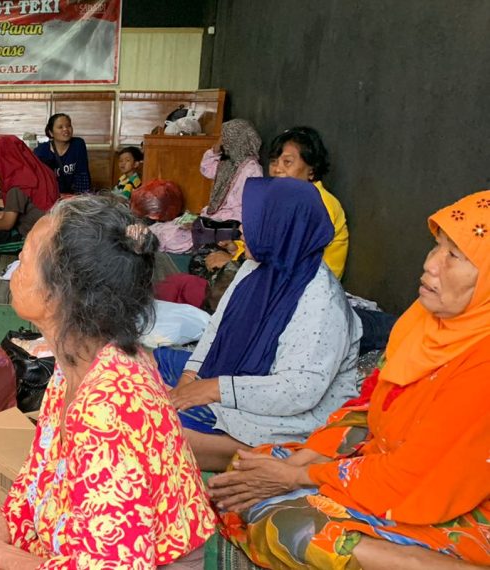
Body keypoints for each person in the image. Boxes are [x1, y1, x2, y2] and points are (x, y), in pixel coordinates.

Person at [0, 196, 215, 569]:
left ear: (59, 293)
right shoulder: (75, 365)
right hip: (84, 544)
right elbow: (35, 492)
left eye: (25, 259)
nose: (15, 270)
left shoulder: (108, 410)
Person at [208, 190, 490, 569]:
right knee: (249, 471)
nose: (430, 264)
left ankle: (420, 561)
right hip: (383, 461)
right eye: (436, 247)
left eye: (454, 256)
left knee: (292, 529)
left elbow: (414, 476)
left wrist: (299, 477)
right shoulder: (423, 322)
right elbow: (368, 405)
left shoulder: (482, 366)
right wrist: (299, 464)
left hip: (446, 498)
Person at [155, 177, 361, 471]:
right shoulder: (256, 268)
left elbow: (298, 391)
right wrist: (189, 376)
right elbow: (218, 328)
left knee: (155, 432)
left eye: (255, 221)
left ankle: (255, 448)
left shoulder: (322, 301)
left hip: (286, 414)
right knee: (142, 361)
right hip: (233, 376)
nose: (241, 229)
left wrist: (214, 389)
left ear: (281, 228)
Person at [149, 118, 263, 255]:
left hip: (228, 222)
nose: (221, 141)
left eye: (224, 137)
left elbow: (245, 210)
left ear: (236, 139)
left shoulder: (251, 169)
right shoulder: (228, 163)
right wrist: (215, 151)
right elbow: (206, 169)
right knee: (165, 228)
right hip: (213, 216)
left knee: (175, 237)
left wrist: (207, 223)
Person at [268, 126, 349, 279]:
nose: (277, 169)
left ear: (311, 169)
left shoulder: (320, 204)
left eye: (287, 162)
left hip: (311, 284)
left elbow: (288, 256)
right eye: (273, 161)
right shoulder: (282, 199)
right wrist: (236, 250)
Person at [0, 135, 59, 248]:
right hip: (48, 226)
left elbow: (7, 224)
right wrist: (0, 214)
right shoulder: (41, 169)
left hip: (26, 234)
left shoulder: (18, 182)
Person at [33, 113, 91, 194]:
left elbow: (82, 174)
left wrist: (80, 198)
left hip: (74, 196)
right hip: (51, 195)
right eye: (60, 127)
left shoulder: (78, 144)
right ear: (51, 132)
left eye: (68, 126)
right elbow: (41, 182)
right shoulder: (41, 151)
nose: (66, 129)